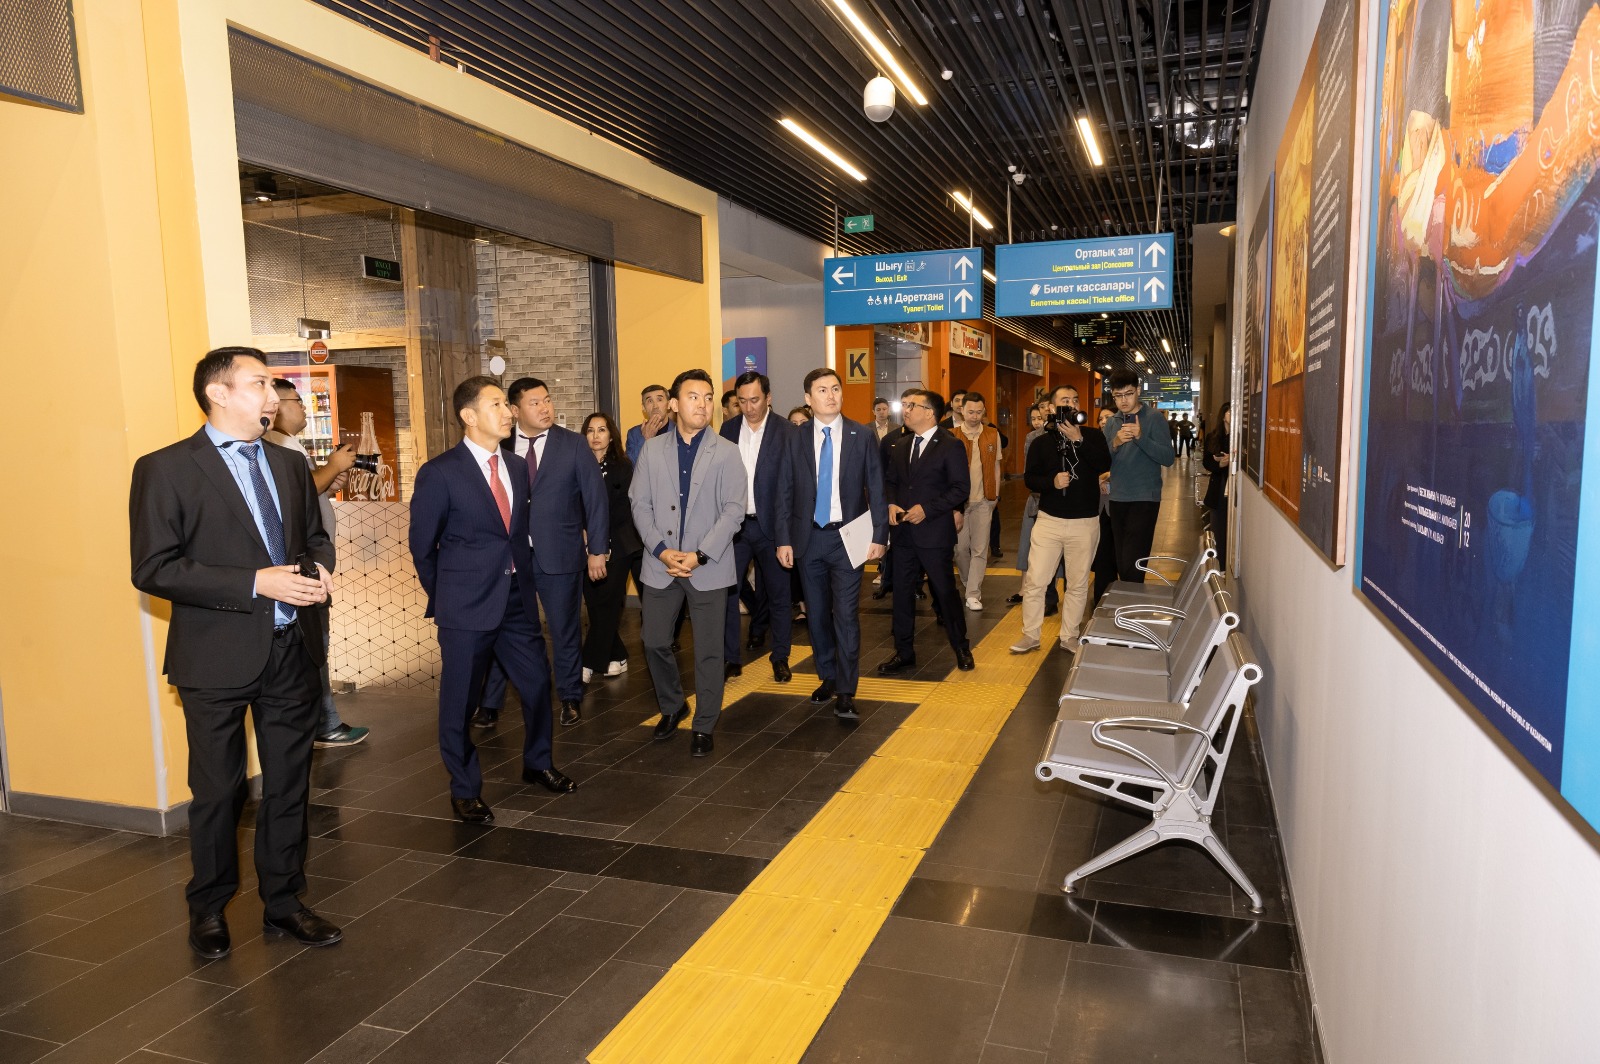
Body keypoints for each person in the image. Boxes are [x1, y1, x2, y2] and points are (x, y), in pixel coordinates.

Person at [130, 346, 342, 958]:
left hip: (291, 648)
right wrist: (255, 582)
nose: (272, 397)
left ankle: (283, 902)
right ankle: (209, 907)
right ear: (218, 393)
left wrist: (319, 569)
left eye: (272, 386)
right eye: (258, 384)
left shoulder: (290, 465)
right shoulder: (166, 468)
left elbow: (313, 538)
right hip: (215, 655)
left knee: (287, 786)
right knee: (219, 790)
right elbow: (154, 567)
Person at [409, 376, 577, 825]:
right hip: (465, 608)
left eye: (507, 404)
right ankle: (464, 788)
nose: (508, 412)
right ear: (469, 416)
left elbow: (514, 535)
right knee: (460, 702)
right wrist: (447, 598)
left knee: (539, 686)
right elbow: (422, 547)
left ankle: (538, 762)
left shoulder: (517, 466)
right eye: (498, 404)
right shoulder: (440, 472)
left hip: (516, 601)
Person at [474, 377, 607, 728]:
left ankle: (570, 696)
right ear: (515, 410)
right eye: (535, 403)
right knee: (505, 629)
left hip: (560, 553)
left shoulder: (573, 445)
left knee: (564, 629)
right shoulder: (499, 448)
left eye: (547, 400)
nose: (545, 408)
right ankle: (491, 703)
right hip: (511, 556)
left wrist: (597, 549)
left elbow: (595, 499)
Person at [631, 368, 747, 756]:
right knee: (653, 641)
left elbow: (734, 511)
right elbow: (640, 504)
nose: (703, 403)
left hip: (708, 566)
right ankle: (673, 704)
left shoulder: (727, 452)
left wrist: (698, 555)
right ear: (675, 404)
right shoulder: (652, 449)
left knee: (710, 650)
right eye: (694, 397)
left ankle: (704, 723)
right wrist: (662, 550)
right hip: (661, 565)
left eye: (709, 397)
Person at [777, 368, 888, 722]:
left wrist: (879, 536)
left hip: (849, 538)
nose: (830, 395)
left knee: (846, 614)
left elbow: (877, 488)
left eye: (835, 388)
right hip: (808, 538)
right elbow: (784, 492)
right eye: (822, 390)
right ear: (808, 399)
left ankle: (845, 690)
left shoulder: (862, 435)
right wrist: (783, 540)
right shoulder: (794, 438)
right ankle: (827, 675)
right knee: (817, 615)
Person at [265, 378, 369, 749]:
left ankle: (321, 722)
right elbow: (298, 492)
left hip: (315, 563)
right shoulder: (274, 446)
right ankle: (323, 723)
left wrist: (330, 478)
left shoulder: (288, 446)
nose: (304, 407)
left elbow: (309, 497)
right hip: (297, 569)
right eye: (297, 400)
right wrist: (333, 466)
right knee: (313, 646)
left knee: (315, 645)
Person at [877, 390, 975, 675]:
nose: (905, 410)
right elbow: (891, 481)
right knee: (902, 594)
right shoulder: (901, 444)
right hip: (904, 534)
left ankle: (961, 647)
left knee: (945, 592)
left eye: (911, 406)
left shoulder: (950, 445)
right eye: (905, 405)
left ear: (930, 412)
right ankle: (904, 652)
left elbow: (960, 488)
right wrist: (892, 502)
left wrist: (928, 509)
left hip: (933, 533)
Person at [1012, 385, 1112, 652]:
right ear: (1052, 408)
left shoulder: (1092, 436)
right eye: (1065, 400)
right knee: (1036, 580)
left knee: (1078, 583)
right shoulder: (1041, 441)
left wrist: (1079, 440)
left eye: (1075, 399)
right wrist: (1051, 482)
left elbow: (1103, 463)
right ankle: (1031, 635)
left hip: (1085, 521)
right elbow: (1030, 478)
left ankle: (1069, 635)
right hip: (1049, 520)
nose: (1072, 404)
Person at [720, 370, 795, 683]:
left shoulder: (786, 431)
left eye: (754, 400)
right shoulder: (727, 429)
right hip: (735, 529)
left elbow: (792, 486)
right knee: (726, 594)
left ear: (768, 398)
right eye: (742, 401)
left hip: (772, 528)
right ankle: (730, 659)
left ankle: (780, 657)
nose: (749, 407)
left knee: (779, 596)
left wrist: (786, 535)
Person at [580, 413, 643, 681]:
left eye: (602, 430)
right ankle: (616, 654)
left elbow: (622, 511)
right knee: (595, 604)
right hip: (582, 544)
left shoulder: (622, 467)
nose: (596, 435)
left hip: (619, 543)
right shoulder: (577, 466)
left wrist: (601, 543)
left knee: (607, 602)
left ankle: (586, 662)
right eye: (591, 430)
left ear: (610, 435)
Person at [1104, 369, 1176, 582]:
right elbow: (1102, 461)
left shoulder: (1154, 418)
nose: (1123, 400)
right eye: (1118, 396)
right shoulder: (1112, 422)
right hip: (1117, 497)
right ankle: (1127, 605)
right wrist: (1114, 443)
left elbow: (1168, 457)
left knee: (1134, 563)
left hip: (1145, 498)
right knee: (1120, 560)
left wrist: (1141, 437)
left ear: (1138, 391)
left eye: (1128, 394)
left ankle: (1131, 609)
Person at [954, 392, 1002, 611]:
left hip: (984, 501)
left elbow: (996, 467)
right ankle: (967, 582)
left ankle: (973, 592)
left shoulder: (992, 434)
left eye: (979, 412)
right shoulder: (951, 435)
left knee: (980, 549)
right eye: (970, 411)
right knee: (960, 549)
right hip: (959, 504)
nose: (974, 416)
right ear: (961, 410)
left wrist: (996, 497)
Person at [1091, 406, 1120, 602]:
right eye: (1100, 418)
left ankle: (1118, 597)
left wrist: (1111, 475)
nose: (1103, 421)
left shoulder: (1122, 442)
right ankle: (1100, 599)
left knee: (1117, 556)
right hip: (1097, 508)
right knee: (1101, 556)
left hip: (1119, 505)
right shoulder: (1092, 443)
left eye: (1108, 417)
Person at [1202, 402, 1233, 567]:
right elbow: (1207, 462)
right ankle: (1219, 567)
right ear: (1223, 415)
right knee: (1218, 531)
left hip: (1234, 487)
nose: (1232, 415)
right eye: (1230, 412)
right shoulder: (1213, 437)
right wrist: (1221, 464)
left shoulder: (1240, 437)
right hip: (1218, 488)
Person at [625, 383, 671, 464]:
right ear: (644, 408)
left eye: (659, 400)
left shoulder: (680, 430)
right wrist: (645, 439)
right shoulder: (634, 434)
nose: (655, 406)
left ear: (668, 404)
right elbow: (630, 468)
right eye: (650, 401)